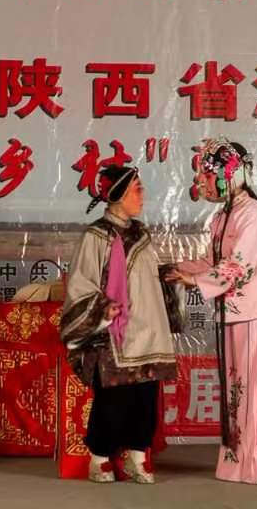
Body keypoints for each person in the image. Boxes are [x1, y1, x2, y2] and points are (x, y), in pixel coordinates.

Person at [166, 137, 257, 484]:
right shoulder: (224, 216)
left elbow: (239, 264)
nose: (203, 182)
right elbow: (213, 262)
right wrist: (179, 270)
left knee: (255, 389)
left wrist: (196, 281)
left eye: (208, 175)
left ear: (229, 174)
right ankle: (239, 460)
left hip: (255, 313)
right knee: (237, 390)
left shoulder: (253, 214)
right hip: (234, 312)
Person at [60, 165, 179, 484]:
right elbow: (81, 282)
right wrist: (101, 308)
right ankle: (99, 458)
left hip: (148, 329)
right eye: (137, 189)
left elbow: (144, 277)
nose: (143, 195)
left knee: (145, 397)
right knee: (114, 399)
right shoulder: (96, 236)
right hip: (116, 332)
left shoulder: (141, 235)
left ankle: (137, 458)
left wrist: (168, 276)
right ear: (119, 195)